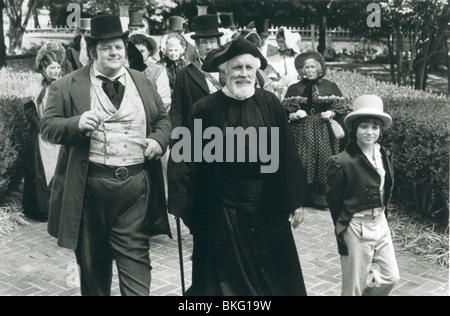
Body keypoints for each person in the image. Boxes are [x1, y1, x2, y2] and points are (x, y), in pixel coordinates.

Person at [40, 14, 172, 296]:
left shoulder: (143, 81)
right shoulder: (65, 85)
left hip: (136, 188)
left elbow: (163, 120)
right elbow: (48, 127)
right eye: (106, 47)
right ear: (91, 53)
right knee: (93, 272)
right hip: (89, 189)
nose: (114, 52)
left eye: (119, 47)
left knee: (137, 270)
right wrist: (75, 124)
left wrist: (159, 140)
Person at [172, 36, 308, 296]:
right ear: (224, 71)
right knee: (223, 284)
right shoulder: (204, 109)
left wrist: (295, 200)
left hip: (266, 209)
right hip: (220, 210)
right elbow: (184, 159)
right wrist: (181, 201)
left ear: (257, 71)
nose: (244, 74)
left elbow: (287, 154)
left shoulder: (270, 104)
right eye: (237, 68)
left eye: (249, 68)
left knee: (271, 284)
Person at [326, 95, 400, 296]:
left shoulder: (384, 154)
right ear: (355, 129)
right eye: (364, 126)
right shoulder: (341, 161)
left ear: (381, 130)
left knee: (388, 276)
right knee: (354, 286)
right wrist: (343, 229)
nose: (370, 132)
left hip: (380, 224)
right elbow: (334, 201)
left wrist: (382, 219)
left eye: (375, 127)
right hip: (357, 226)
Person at [282, 51, 346, 210]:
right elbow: (283, 111)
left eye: (312, 67)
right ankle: (301, 197)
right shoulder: (294, 88)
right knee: (302, 159)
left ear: (319, 69)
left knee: (324, 158)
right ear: (302, 70)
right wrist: (295, 115)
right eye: (306, 67)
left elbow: (342, 107)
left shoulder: (330, 86)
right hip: (301, 129)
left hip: (323, 128)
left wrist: (331, 113)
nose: (309, 70)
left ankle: (321, 199)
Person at [22, 42, 65, 222]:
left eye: (58, 67)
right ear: (43, 68)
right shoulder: (35, 89)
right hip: (41, 136)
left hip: (59, 134)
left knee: (60, 169)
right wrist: (43, 128)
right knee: (40, 172)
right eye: (52, 67)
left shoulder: (63, 85)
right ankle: (40, 209)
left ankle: (59, 208)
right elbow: (30, 113)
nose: (56, 71)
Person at [129, 33, 171, 109]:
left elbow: (164, 99)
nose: (138, 54)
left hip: (153, 113)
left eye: (142, 51)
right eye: (135, 50)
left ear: (149, 52)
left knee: (198, 121)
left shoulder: (158, 71)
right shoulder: (126, 69)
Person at [266, 27, 301, 100]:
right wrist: (280, 85)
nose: (279, 44)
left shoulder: (297, 57)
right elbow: (271, 81)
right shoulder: (275, 59)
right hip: (280, 92)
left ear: (287, 42)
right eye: (278, 42)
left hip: (297, 91)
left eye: (281, 42)